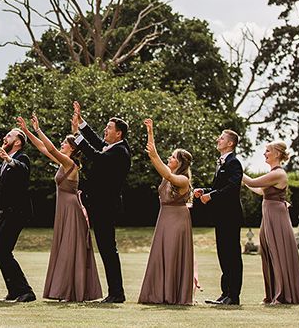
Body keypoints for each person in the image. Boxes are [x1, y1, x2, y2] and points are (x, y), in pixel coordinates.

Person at [17, 114, 102, 302]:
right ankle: (66, 290)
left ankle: (71, 291)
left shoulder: (69, 163)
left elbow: (51, 149)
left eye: (65, 142)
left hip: (71, 209)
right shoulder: (63, 162)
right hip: (64, 209)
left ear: (72, 149)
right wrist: (26, 131)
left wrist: (38, 130)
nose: (62, 144)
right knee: (65, 248)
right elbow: (42, 147)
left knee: (70, 249)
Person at [71, 101, 131, 304]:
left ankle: (117, 293)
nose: (105, 130)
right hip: (99, 205)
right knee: (106, 248)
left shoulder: (120, 151)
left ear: (119, 134)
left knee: (108, 249)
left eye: (109, 128)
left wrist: (76, 136)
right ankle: (115, 291)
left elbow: (96, 156)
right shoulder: (112, 146)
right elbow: (97, 142)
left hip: (106, 207)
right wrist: (81, 123)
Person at [242, 141, 299, 305]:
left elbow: (254, 182)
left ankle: (283, 294)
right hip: (269, 214)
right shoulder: (272, 174)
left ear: (277, 154)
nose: (264, 154)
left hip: (276, 216)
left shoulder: (278, 174)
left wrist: (236, 171)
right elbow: (258, 189)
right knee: (269, 252)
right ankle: (273, 293)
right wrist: (244, 181)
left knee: (278, 252)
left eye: (267, 151)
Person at [138, 119, 194, 305]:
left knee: (171, 254)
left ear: (179, 163)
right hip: (164, 218)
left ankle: (172, 294)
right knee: (160, 254)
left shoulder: (182, 179)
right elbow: (155, 159)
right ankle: (158, 293)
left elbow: (166, 173)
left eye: (172, 157)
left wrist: (154, 153)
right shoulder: (168, 175)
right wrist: (150, 132)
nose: (169, 158)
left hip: (177, 221)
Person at [0, 128, 35, 302]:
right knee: (1, 252)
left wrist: (9, 159)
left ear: (18, 142)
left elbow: (22, 168)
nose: (5, 137)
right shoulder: (6, 163)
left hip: (17, 212)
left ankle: (26, 291)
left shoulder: (21, 158)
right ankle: (14, 290)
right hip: (5, 212)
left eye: (10, 136)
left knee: (4, 251)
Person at [193, 129, 243, 305]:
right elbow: (219, 186)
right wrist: (204, 191)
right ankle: (225, 293)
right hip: (221, 217)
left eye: (221, 138)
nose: (218, 140)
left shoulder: (234, 162)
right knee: (223, 254)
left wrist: (211, 196)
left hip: (231, 216)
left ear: (230, 143)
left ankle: (233, 296)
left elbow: (231, 188)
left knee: (232, 255)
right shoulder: (221, 162)